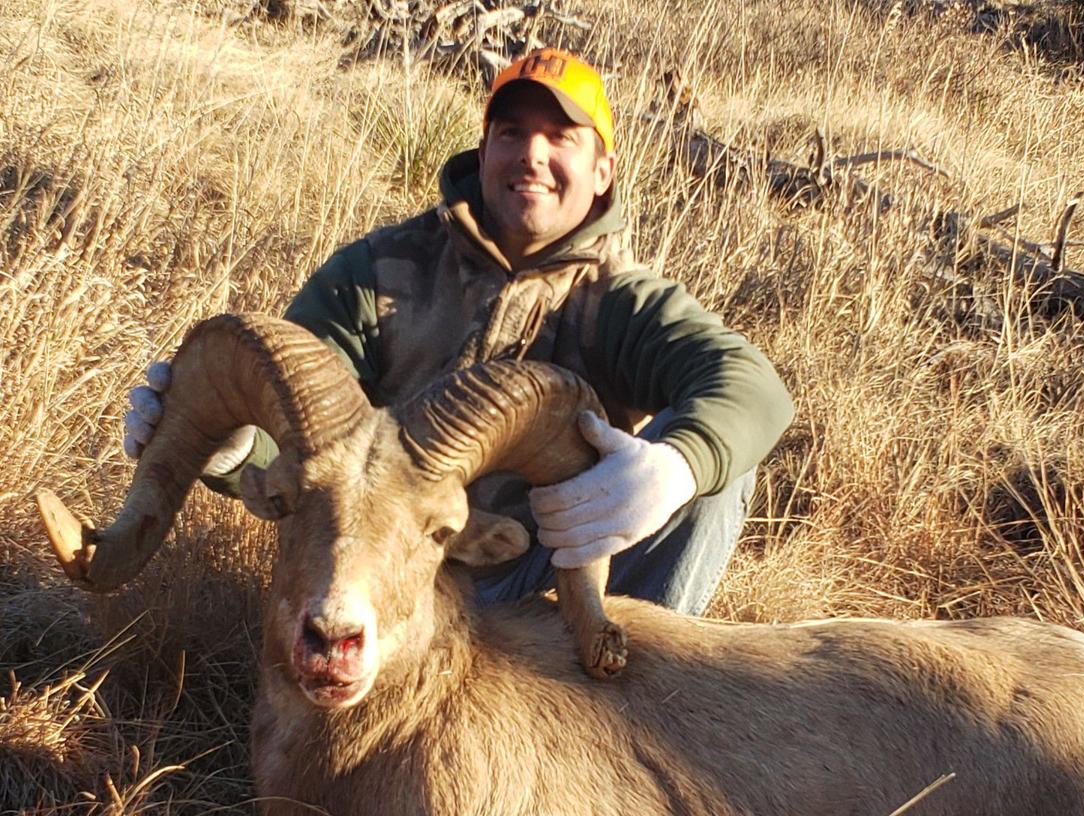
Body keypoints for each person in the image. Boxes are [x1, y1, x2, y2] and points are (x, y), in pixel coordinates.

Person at [124, 49, 793, 616]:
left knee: (715, 468)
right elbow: (298, 442)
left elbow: (753, 388)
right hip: (385, 576)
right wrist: (233, 448)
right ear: (484, 150)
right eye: (511, 132)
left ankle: (628, 695)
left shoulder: (623, 301)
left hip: (543, 589)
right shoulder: (380, 270)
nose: (531, 154)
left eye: (561, 137)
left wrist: (676, 468)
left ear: (602, 172)